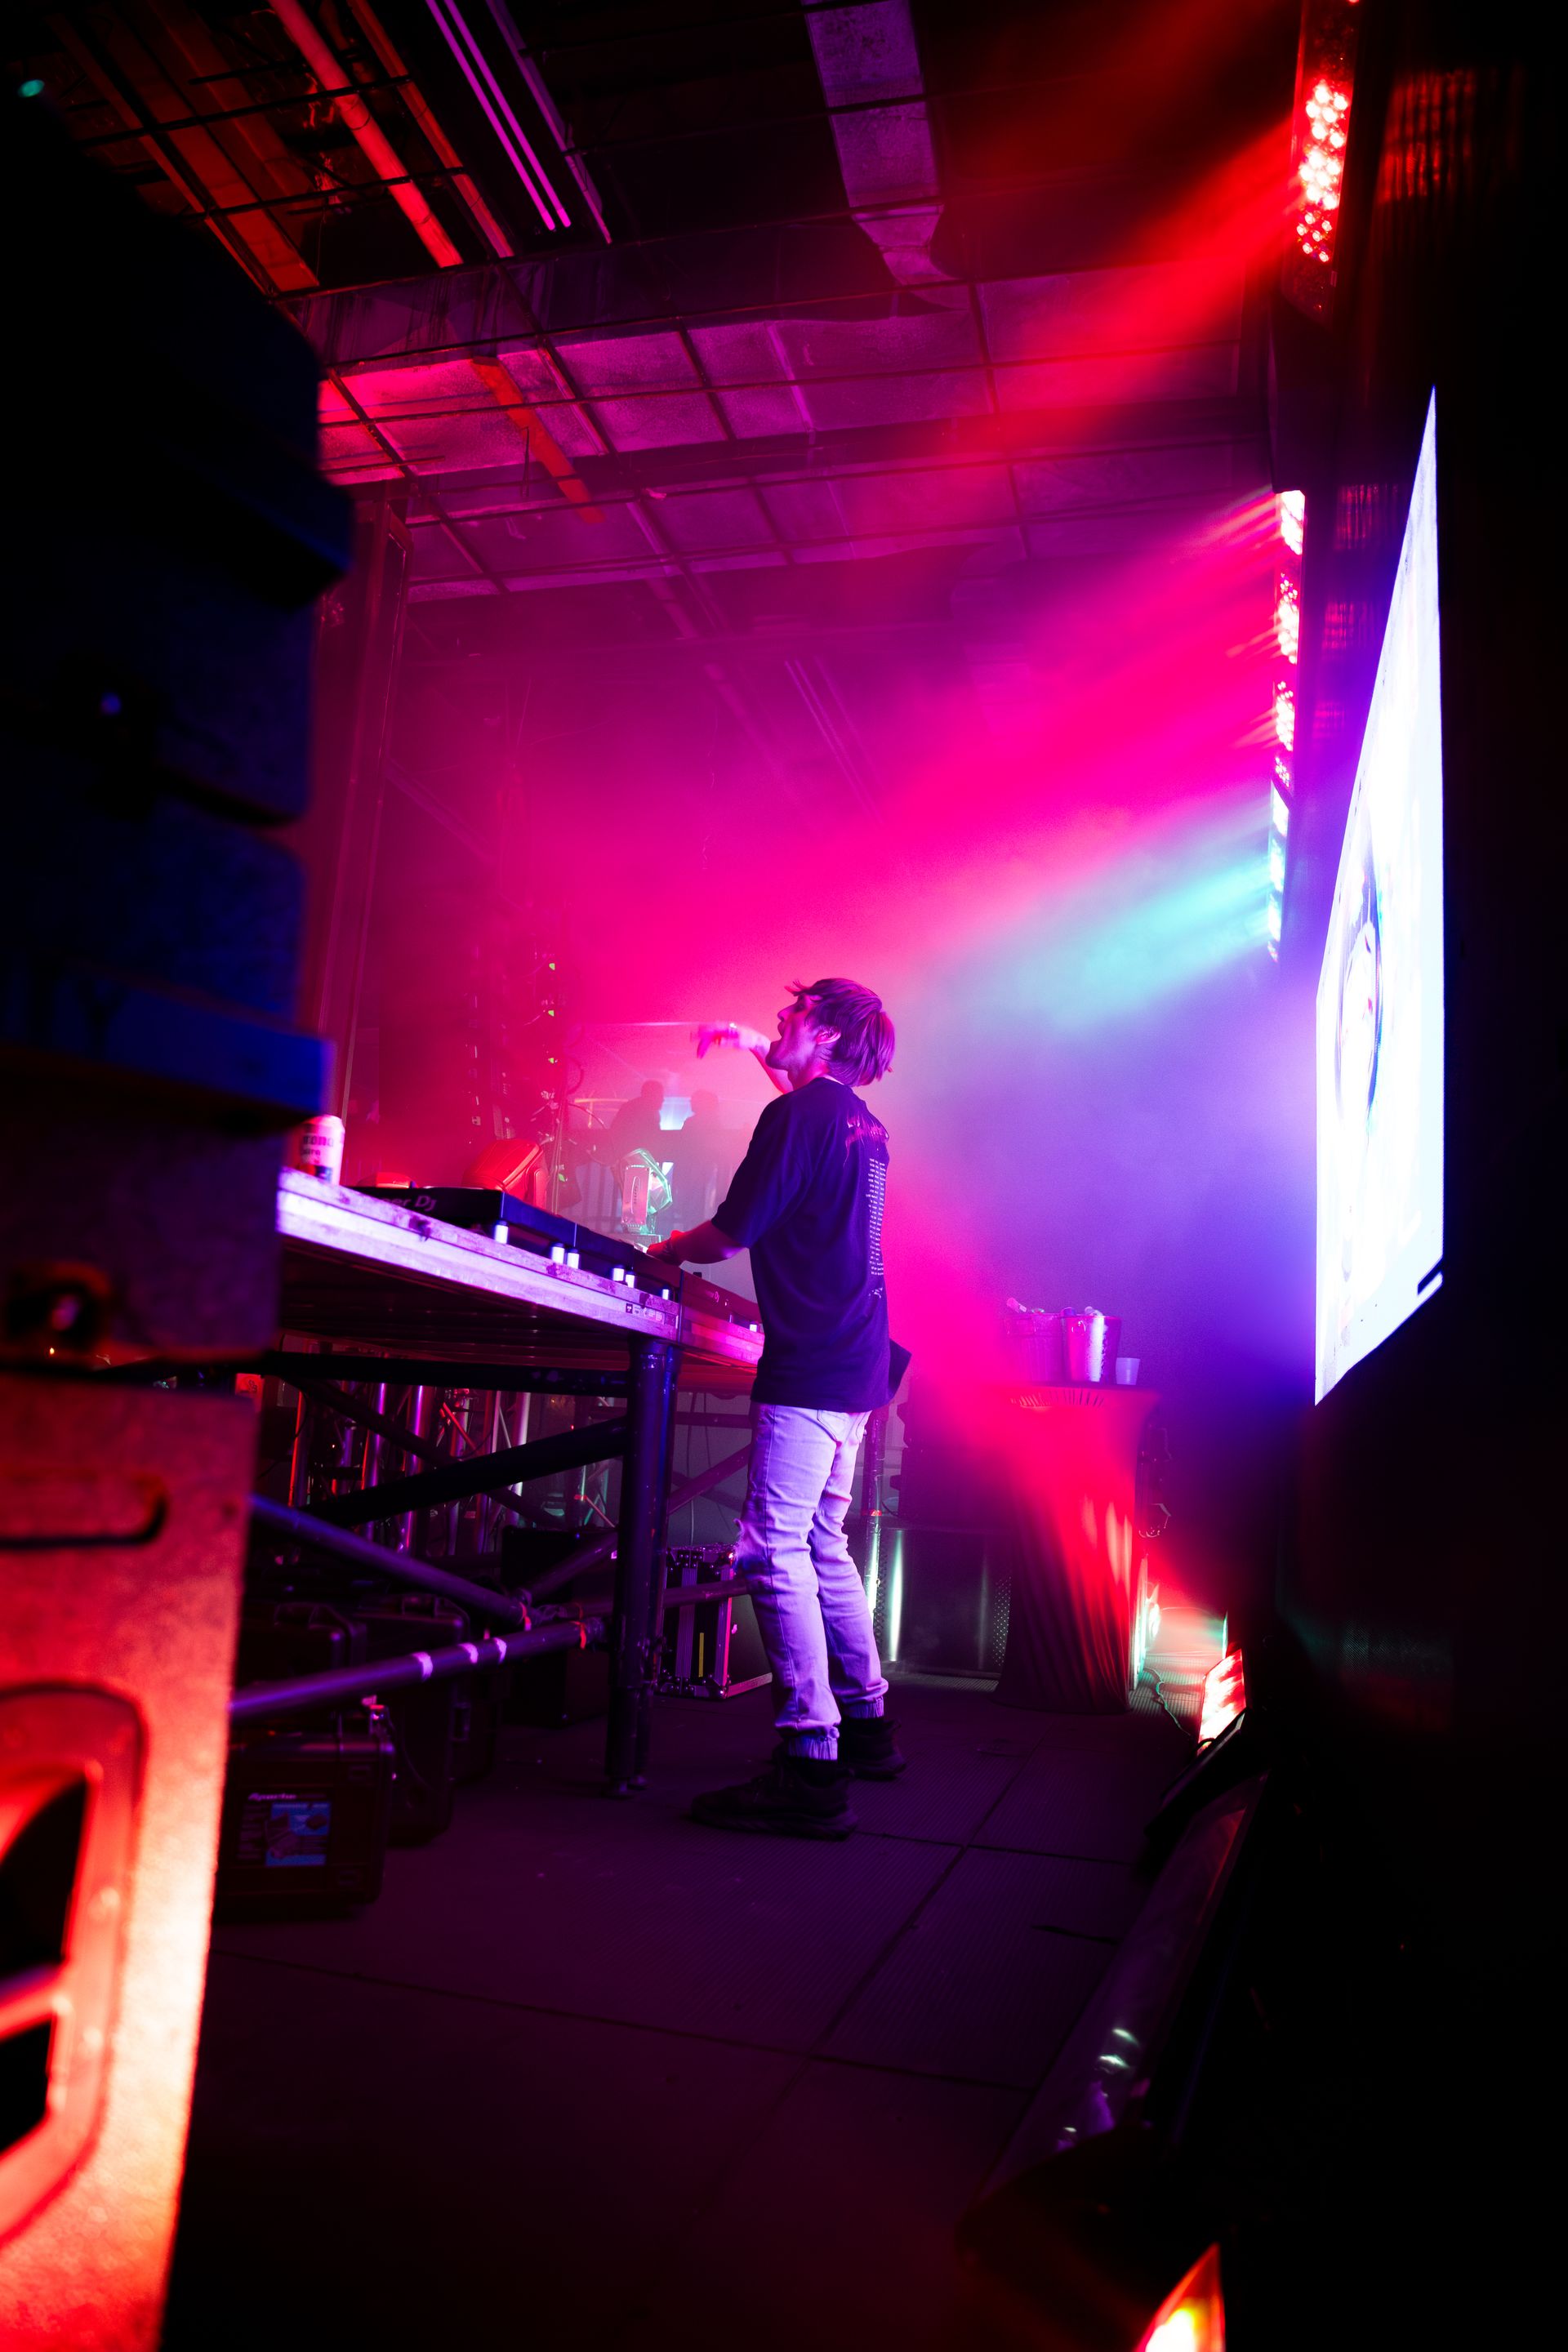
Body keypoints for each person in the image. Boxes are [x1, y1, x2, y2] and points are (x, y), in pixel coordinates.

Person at [648, 979, 903, 1839]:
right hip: (860, 1362)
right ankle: (867, 1722)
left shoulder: (795, 1120)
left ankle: (809, 1760)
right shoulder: (862, 1124)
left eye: (794, 1019)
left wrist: (665, 1251)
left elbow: (733, 1231)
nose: (782, 1029)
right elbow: (808, 1100)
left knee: (768, 1548)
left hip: (814, 1367)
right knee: (822, 1543)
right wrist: (758, 1041)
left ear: (825, 1035)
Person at [666, 1086, 732, 1231]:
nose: (691, 1102)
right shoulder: (714, 1123)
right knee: (698, 1209)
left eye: (694, 1100)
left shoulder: (693, 1123)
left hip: (695, 1170)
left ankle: (689, 1232)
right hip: (703, 1171)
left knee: (692, 1207)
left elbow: (682, 1148)